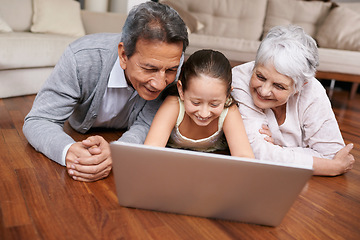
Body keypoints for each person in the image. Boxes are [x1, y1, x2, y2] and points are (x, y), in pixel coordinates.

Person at [23, 1, 189, 182]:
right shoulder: (80, 58)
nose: (159, 84)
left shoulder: (173, 62)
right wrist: (69, 150)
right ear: (123, 55)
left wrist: (117, 151)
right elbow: (40, 119)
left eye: (171, 70)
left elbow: (148, 123)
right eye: (149, 69)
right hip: (80, 132)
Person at [231, 25, 355, 176]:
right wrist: (331, 167)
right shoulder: (239, 79)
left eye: (279, 86)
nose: (263, 91)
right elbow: (251, 151)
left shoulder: (312, 89)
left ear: (299, 86)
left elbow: (332, 155)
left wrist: (278, 149)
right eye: (260, 76)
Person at [144, 49, 254, 159]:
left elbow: (244, 156)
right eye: (196, 103)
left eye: (214, 104)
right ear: (181, 91)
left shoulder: (229, 111)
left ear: (227, 95)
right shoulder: (174, 105)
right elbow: (151, 150)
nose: (204, 113)